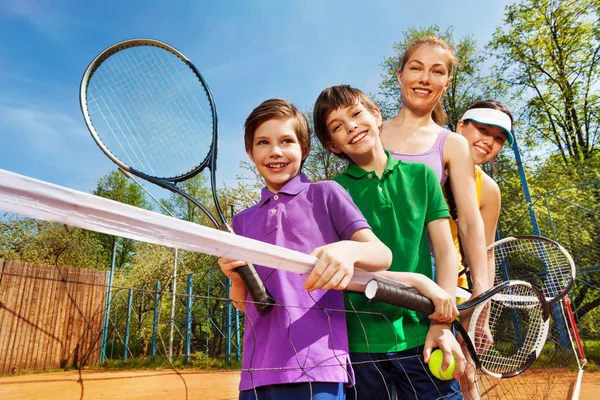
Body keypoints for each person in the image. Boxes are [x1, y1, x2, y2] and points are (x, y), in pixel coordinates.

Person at [218, 98, 393, 400]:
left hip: (318, 368)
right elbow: (244, 305)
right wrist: (235, 280)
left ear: (305, 149)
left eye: (286, 141)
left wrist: (349, 251)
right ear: (250, 152)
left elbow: (382, 256)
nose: (275, 151)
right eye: (263, 142)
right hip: (255, 374)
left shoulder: (326, 194)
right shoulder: (243, 220)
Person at [313, 85, 466, 400]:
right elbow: (341, 271)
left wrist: (442, 323)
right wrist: (416, 281)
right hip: (359, 344)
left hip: (422, 334)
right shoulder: (329, 193)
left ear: (376, 115)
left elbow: (446, 253)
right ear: (331, 145)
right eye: (337, 126)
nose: (352, 126)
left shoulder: (422, 176)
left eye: (356, 114)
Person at [380, 36, 491, 300]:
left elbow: (469, 221)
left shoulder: (452, 143)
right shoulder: (371, 133)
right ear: (400, 75)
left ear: (447, 82)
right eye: (416, 68)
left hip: (429, 277)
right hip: (372, 268)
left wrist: (481, 288)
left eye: (437, 71)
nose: (425, 78)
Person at [451, 100, 514, 400]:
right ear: (459, 126)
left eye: (499, 138)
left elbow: (485, 252)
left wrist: (481, 316)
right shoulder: (422, 162)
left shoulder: (488, 189)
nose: (489, 141)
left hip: (453, 293)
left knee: (463, 373)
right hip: (404, 283)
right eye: (482, 129)